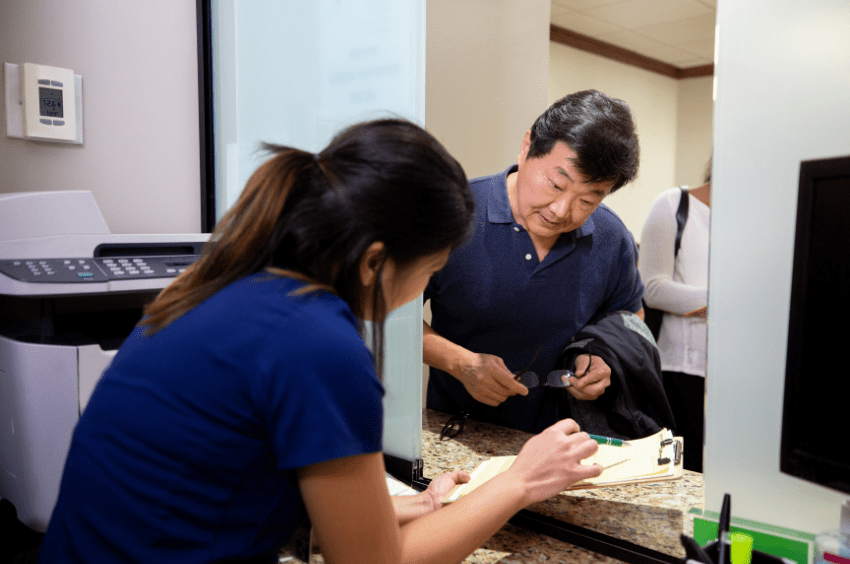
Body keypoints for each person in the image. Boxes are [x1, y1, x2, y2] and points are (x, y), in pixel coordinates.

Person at [37, 119, 605, 564]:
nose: (418, 294)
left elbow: (225, 480)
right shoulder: (316, 342)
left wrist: (419, 505)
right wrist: (519, 481)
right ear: (376, 262)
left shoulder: (221, 284)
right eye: (428, 272)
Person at [424, 89, 644, 434]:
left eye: (587, 200)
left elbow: (629, 315)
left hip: (563, 439)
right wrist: (460, 363)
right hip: (458, 431)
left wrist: (603, 359)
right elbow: (390, 317)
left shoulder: (611, 237)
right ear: (527, 146)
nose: (561, 211)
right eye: (556, 184)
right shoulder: (452, 212)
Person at [638, 160, 711, 472]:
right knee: (683, 474)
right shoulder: (674, 204)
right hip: (680, 373)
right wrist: (727, 301)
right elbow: (651, 287)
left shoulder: (763, 218)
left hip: (742, 378)